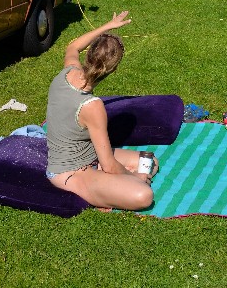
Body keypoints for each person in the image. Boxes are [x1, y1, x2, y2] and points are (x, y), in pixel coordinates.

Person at [45, 11, 157, 210]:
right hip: (70, 174)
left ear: (88, 54)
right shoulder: (92, 106)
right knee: (143, 194)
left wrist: (108, 26)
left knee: (150, 161)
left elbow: (72, 46)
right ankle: (105, 188)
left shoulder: (67, 72)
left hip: (90, 157)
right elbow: (109, 165)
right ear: (113, 70)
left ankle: (110, 186)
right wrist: (135, 177)